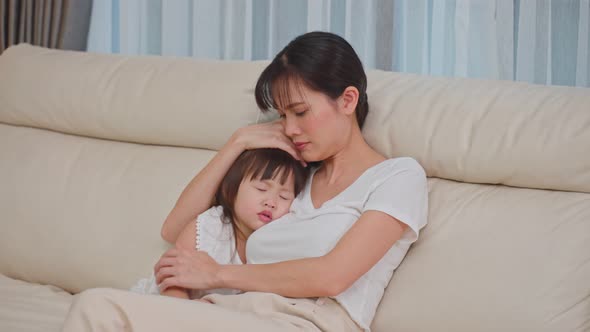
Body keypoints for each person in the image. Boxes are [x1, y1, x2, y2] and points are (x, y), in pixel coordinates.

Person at [62, 31, 428, 332]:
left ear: (347, 100)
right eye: (283, 115)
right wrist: (237, 142)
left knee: (99, 308)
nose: (289, 128)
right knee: (95, 307)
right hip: (233, 312)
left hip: (306, 322)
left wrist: (217, 273)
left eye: (301, 112)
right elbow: (175, 228)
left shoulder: (397, 177)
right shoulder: (294, 180)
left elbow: (333, 276)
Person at [129, 148, 308, 300]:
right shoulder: (210, 227)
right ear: (232, 189)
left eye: (284, 197)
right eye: (261, 189)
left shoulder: (280, 243)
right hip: (165, 305)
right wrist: (185, 311)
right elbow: (171, 276)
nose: (271, 202)